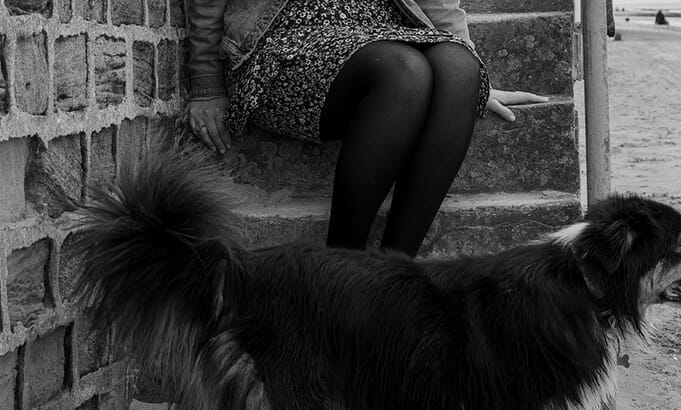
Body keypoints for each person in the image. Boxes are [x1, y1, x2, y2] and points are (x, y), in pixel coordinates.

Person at [186, 0, 549, 258]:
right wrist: (206, 83)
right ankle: (342, 267)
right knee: (403, 71)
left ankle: (394, 272)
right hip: (287, 38)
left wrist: (474, 80)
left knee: (459, 67)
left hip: (387, 28)